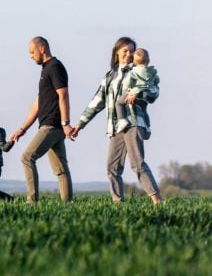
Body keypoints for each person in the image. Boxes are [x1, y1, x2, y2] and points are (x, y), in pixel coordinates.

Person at [70, 37, 162, 205]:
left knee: (137, 163)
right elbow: (97, 102)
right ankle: (118, 204)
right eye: (125, 51)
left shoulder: (139, 70)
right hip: (115, 126)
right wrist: (79, 125)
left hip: (133, 121)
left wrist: (139, 93)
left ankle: (157, 200)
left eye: (132, 51)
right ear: (117, 52)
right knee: (112, 167)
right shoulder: (110, 76)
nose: (128, 54)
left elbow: (154, 92)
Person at [8, 37, 74, 203]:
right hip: (49, 125)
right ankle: (67, 204)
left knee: (27, 157)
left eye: (32, 52)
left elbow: (63, 95)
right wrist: (22, 129)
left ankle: (32, 201)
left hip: (52, 125)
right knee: (60, 169)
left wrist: (65, 124)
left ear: (42, 48)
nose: (30, 56)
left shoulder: (55, 67)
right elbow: (37, 104)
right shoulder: (45, 70)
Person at [114, 47, 159, 134]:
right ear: (148, 60)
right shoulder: (151, 71)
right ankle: (148, 127)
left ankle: (122, 120)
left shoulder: (133, 71)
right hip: (144, 93)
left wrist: (127, 90)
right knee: (144, 110)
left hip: (133, 92)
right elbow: (156, 80)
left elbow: (127, 83)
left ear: (134, 61)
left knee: (119, 103)